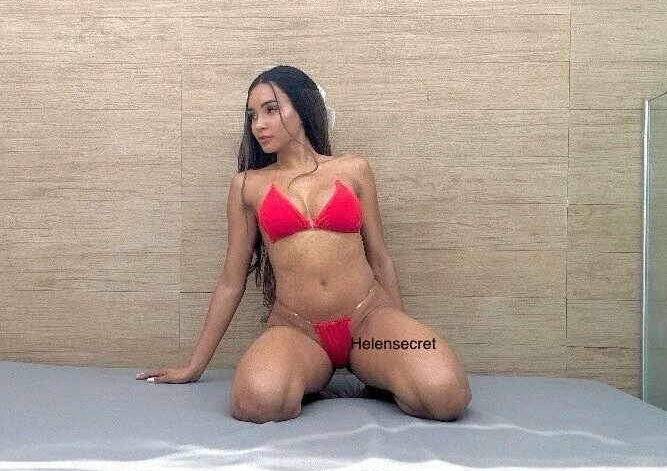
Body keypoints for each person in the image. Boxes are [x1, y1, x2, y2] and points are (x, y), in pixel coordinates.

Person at [137, 65, 470, 423]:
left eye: (271, 109)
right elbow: (231, 281)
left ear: (303, 107)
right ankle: (309, 377)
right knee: (255, 401)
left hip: (368, 323)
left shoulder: (353, 169)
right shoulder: (247, 186)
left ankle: (373, 372)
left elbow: (380, 258)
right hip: (298, 331)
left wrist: (396, 344)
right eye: (252, 116)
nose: (259, 125)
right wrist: (195, 365)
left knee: (445, 394)